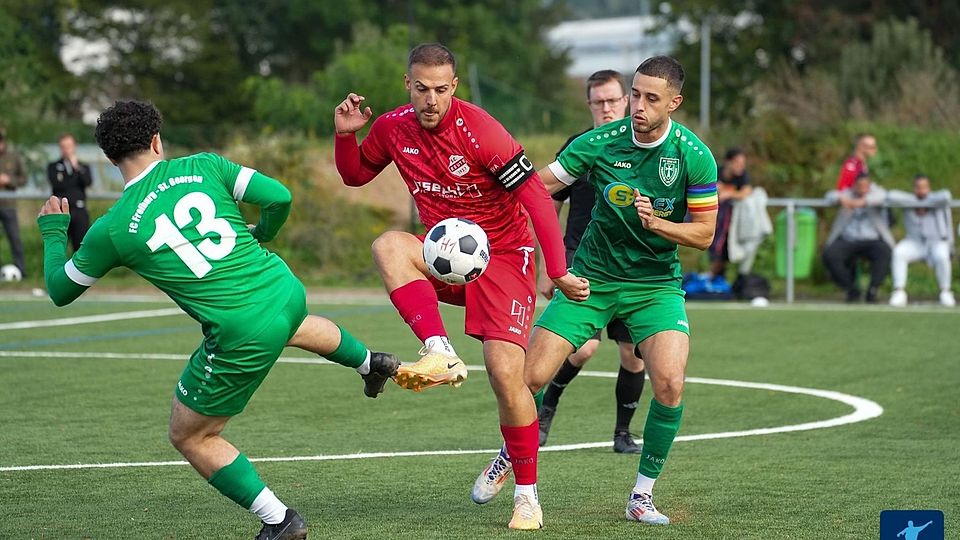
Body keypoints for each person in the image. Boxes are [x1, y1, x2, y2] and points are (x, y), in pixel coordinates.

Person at [37, 100, 401, 540]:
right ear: (156, 140)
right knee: (290, 325)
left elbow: (59, 290)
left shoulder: (112, 228)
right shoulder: (205, 164)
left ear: (111, 159)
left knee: (190, 434)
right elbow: (280, 197)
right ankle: (371, 363)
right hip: (283, 288)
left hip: (240, 329)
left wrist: (54, 234)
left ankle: (279, 520)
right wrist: (263, 233)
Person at [333, 43, 586, 530]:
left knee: (504, 375)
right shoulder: (391, 127)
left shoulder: (481, 131)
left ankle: (527, 497)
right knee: (388, 245)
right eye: (422, 88)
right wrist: (346, 136)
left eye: (441, 90)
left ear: (455, 87)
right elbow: (355, 174)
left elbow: (535, 196)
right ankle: (438, 350)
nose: (432, 99)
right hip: (444, 257)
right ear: (408, 84)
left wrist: (556, 269)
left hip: (506, 259)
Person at [474, 55, 718, 526]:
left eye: (651, 98)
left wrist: (659, 224)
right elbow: (538, 187)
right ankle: (508, 454)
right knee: (529, 378)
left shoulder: (694, 154)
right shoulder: (600, 142)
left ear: (674, 101)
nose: (637, 106)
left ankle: (641, 497)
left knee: (669, 382)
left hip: (655, 286)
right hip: (593, 280)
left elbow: (704, 234)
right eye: (635, 94)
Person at [535, 69, 646, 455]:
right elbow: (548, 204)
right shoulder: (578, 146)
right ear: (589, 105)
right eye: (598, 102)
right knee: (582, 349)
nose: (607, 108)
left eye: (613, 100)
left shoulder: (643, 146)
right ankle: (546, 410)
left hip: (633, 268)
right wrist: (548, 267)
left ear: (628, 101)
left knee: (634, 355)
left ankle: (622, 433)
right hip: (581, 262)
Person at [823, 173, 893, 302]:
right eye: (859, 185)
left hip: (872, 239)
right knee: (830, 254)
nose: (862, 188)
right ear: (854, 185)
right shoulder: (847, 193)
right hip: (849, 239)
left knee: (884, 252)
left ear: (870, 185)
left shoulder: (877, 192)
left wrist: (861, 202)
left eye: (865, 185)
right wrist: (840, 199)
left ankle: (872, 289)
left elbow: (884, 196)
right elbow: (829, 196)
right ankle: (851, 289)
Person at [887, 174, 955, 307]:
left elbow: (946, 195)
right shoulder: (909, 201)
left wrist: (926, 202)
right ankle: (899, 291)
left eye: (924, 187)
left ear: (929, 188)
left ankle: (945, 291)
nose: (921, 190)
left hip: (936, 241)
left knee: (941, 255)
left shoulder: (937, 199)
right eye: (918, 187)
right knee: (899, 252)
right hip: (915, 242)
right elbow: (891, 196)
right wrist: (915, 202)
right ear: (913, 188)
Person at [708, 147, 753, 280]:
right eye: (738, 163)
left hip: (732, 223)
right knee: (715, 250)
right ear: (728, 162)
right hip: (714, 219)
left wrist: (729, 194)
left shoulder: (743, 175)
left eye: (743, 164)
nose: (741, 167)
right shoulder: (715, 171)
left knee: (724, 253)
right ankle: (710, 280)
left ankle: (716, 281)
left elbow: (747, 191)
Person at [47, 133, 94, 252]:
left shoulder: (82, 166)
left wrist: (75, 167)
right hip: (62, 210)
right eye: (63, 146)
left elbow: (87, 181)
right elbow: (58, 184)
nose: (66, 150)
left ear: (74, 147)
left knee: (81, 247)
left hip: (79, 210)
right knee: (59, 246)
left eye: (69, 146)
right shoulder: (53, 166)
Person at [0, 128, 28, 276]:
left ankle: (22, 272)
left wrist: (9, 180)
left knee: (15, 239)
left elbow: (23, 179)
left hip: (8, 205)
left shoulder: (13, 157)